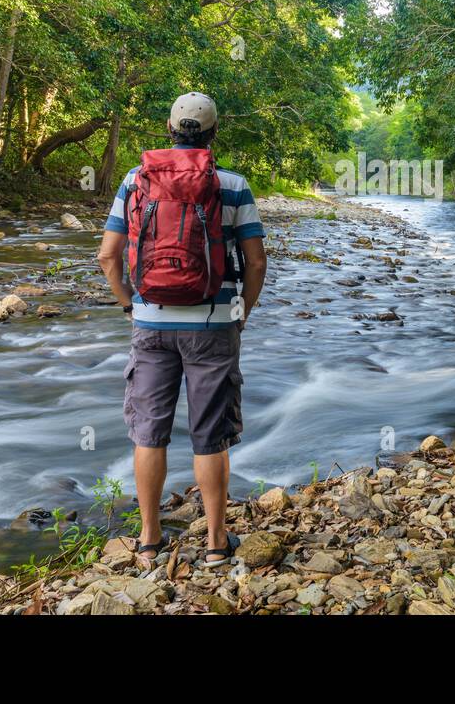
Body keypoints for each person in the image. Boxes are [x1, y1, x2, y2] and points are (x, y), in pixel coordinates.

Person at [96, 91, 267, 568]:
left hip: (150, 324)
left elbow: (108, 256)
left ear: (168, 128)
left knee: (149, 433)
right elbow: (255, 261)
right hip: (213, 328)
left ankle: (149, 542)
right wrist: (242, 311)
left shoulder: (135, 179)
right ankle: (216, 544)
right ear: (214, 133)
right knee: (209, 434)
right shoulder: (231, 184)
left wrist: (130, 304)